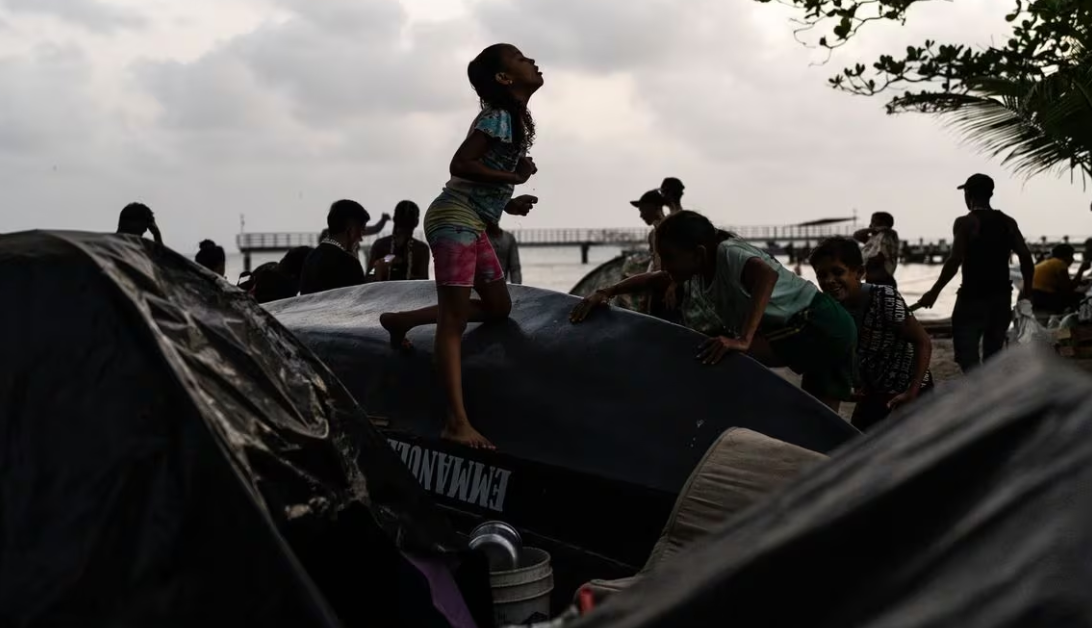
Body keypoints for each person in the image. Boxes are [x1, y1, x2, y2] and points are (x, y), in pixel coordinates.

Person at [379, 43, 543, 449]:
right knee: (453, 324)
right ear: (505, 79)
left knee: (498, 308)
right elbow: (460, 166)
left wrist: (509, 199)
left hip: (470, 220)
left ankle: (402, 321)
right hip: (453, 220)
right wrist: (515, 181)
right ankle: (456, 422)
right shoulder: (499, 116)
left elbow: (479, 181)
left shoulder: (514, 119)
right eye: (521, 59)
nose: (532, 61)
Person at [571, 211, 857, 411]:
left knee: (714, 354)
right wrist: (607, 291)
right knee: (822, 425)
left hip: (817, 323)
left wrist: (744, 338)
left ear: (698, 253)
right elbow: (655, 279)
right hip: (825, 327)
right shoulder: (698, 269)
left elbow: (766, 275)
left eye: (669, 257)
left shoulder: (727, 253)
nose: (665, 266)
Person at [809, 237, 933, 430]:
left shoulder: (885, 297)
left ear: (859, 272)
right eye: (822, 275)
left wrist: (913, 391)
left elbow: (922, 342)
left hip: (911, 387)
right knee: (860, 439)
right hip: (873, 392)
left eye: (837, 272)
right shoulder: (831, 308)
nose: (829, 281)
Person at [918, 174, 1035, 373]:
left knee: (967, 355)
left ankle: (977, 390)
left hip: (972, 297)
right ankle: (988, 393)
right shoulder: (1008, 222)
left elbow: (955, 260)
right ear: (990, 193)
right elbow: (1025, 257)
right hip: (1001, 297)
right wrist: (1027, 291)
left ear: (968, 194)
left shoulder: (966, 222)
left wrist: (934, 291)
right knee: (994, 354)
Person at [299, 200, 372, 295]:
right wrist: (375, 273)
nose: (361, 239)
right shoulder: (348, 262)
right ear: (351, 230)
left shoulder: (311, 257)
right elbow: (362, 300)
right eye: (361, 231)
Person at [368, 201, 431, 281]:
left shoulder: (381, 245)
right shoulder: (421, 249)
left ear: (394, 219)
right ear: (416, 222)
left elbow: (369, 275)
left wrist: (378, 268)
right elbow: (423, 281)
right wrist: (379, 267)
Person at [1031, 243, 1089, 314]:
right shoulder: (1060, 263)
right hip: (1041, 296)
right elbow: (1068, 288)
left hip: (1033, 296)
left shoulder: (1048, 262)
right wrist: (1081, 270)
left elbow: (1061, 284)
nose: (1073, 259)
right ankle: (1078, 318)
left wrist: (1079, 282)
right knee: (1079, 297)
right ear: (1065, 256)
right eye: (1071, 256)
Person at [853, 211, 900, 288]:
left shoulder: (889, 235)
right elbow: (856, 235)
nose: (870, 225)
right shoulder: (872, 238)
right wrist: (871, 229)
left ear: (881, 223)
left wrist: (862, 262)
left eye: (873, 222)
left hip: (884, 282)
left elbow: (880, 257)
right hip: (871, 282)